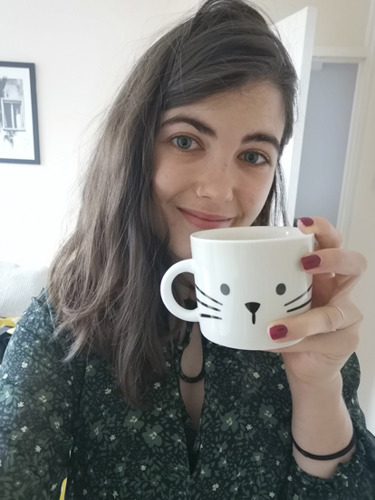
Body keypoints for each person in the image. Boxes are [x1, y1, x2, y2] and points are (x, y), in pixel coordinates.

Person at [1, 0, 374, 498]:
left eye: (253, 155)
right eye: (185, 141)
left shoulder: (303, 310)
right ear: (135, 149)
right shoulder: (66, 318)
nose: (220, 191)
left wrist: (319, 384)